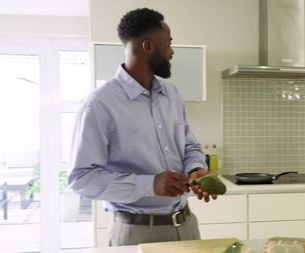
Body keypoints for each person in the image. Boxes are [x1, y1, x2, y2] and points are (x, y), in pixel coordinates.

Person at [68, 8, 216, 246]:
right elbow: (82, 179)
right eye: (168, 44)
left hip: (187, 226)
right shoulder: (99, 104)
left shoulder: (172, 94)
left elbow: (189, 144)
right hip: (137, 234)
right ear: (148, 47)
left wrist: (196, 168)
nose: (171, 52)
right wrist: (150, 184)